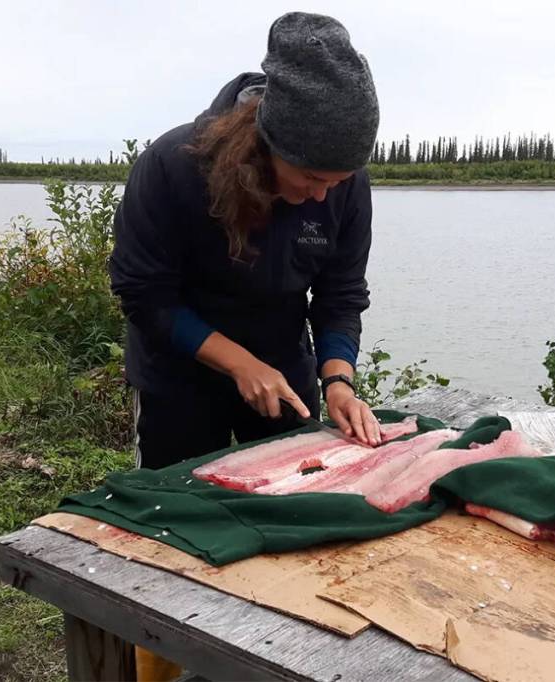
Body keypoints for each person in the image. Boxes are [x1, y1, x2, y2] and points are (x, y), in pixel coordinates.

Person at [109, 12, 383, 470]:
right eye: (312, 177)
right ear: (270, 144)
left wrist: (338, 380)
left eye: (337, 182)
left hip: (284, 376)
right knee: (175, 515)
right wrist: (240, 363)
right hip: (177, 372)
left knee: (294, 505)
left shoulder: (347, 187)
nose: (321, 195)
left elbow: (341, 295)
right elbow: (144, 294)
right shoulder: (172, 166)